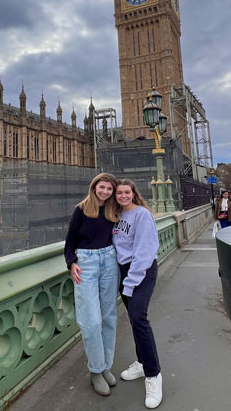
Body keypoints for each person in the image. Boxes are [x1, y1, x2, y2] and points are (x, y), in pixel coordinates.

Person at [64, 172, 120, 396]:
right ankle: (95, 370)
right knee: (91, 320)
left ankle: (106, 365)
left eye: (109, 189)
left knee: (108, 317)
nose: (105, 191)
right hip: (86, 262)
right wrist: (71, 263)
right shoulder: (81, 210)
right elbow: (69, 241)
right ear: (94, 187)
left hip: (109, 259)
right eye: (102, 187)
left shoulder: (113, 210)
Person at [112, 179, 163, 409]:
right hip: (125, 271)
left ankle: (153, 374)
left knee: (139, 318)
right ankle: (142, 362)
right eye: (119, 192)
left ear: (133, 194)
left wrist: (131, 281)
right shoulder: (116, 215)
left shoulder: (141, 215)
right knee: (134, 319)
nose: (122, 196)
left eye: (126, 192)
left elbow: (146, 249)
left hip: (141, 270)